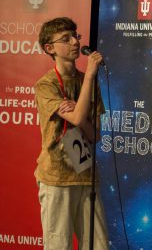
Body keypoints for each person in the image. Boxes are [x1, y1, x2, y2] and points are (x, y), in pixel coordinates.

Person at [34, 17, 109, 250]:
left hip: (86, 174)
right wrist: (80, 113)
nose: (75, 42)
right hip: (57, 177)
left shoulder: (89, 84)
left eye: (75, 36)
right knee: (59, 245)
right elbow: (77, 119)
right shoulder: (46, 85)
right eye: (65, 39)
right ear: (50, 48)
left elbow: (94, 134)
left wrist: (78, 111)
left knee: (98, 244)